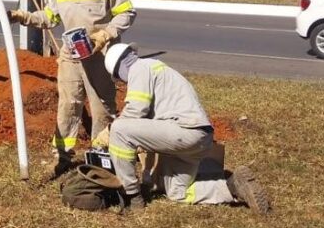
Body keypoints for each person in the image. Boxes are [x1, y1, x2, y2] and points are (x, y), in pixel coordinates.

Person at [8, 0, 136, 174]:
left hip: (99, 56)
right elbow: (49, 18)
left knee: (101, 107)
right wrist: (22, 16)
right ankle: (62, 156)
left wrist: (105, 35)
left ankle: (102, 154)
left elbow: (126, 13)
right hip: (71, 55)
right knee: (68, 105)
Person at [101, 42, 271, 214]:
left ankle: (132, 197)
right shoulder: (159, 70)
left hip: (184, 131)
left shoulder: (139, 68)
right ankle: (234, 186)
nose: (123, 82)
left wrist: (109, 132)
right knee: (177, 192)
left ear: (119, 70)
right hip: (199, 138)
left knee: (119, 129)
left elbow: (136, 110)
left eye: (120, 78)